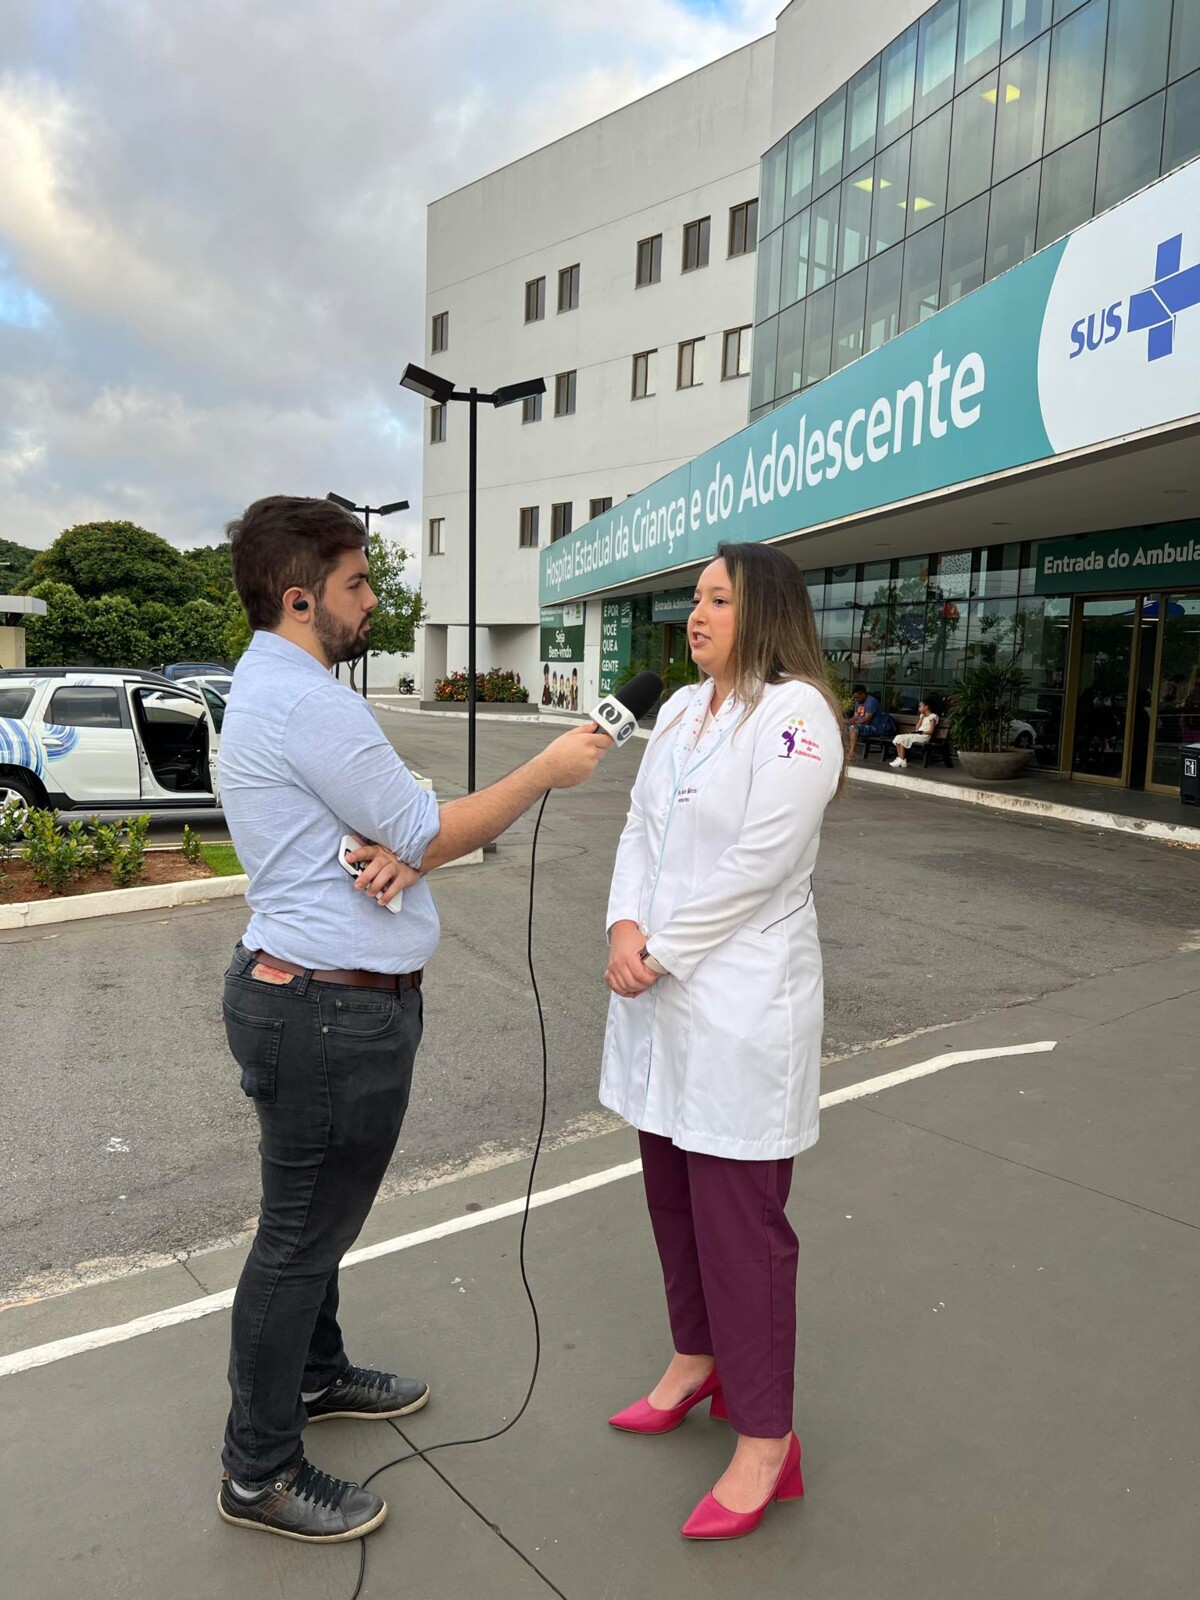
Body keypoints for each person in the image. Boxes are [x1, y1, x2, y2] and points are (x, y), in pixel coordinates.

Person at [215, 496, 609, 1545]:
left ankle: (315, 1374)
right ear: (301, 599)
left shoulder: (278, 685)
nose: (372, 599)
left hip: (306, 995)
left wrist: (407, 836)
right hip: (327, 1013)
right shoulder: (310, 702)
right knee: (299, 1238)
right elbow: (427, 817)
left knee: (314, 1223)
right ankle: (256, 1471)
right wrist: (542, 771)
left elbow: (396, 809)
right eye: (356, 583)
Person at [600, 541, 845, 1541]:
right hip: (660, 1003)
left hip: (739, 1008)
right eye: (692, 599)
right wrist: (621, 926)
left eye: (718, 600)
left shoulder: (798, 717)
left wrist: (658, 947)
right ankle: (696, 1359)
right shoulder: (678, 713)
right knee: (672, 1201)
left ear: (766, 611)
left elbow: (759, 862)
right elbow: (636, 833)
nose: (695, 615)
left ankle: (767, 1437)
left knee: (743, 1230)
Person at [889, 700, 939, 768]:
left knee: (902, 739)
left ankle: (902, 760)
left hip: (924, 736)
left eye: (920, 706)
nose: (919, 708)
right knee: (898, 737)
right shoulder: (922, 716)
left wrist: (920, 732)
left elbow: (931, 731)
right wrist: (921, 718)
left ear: (926, 707)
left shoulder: (932, 716)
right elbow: (917, 727)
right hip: (918, 734)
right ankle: (901, 759)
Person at [846, 682, 884, 756]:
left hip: (873, 727)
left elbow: (867, 720)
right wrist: (845, 721)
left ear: (863, 694)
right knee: (842, 726)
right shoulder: (858, 703)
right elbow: (855, 717)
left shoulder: (871, 702)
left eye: (857, 697)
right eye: (855, 698)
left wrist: (854, 723)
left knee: (853, 728)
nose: (856, 700)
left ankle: (852, 752)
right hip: (862, 726)